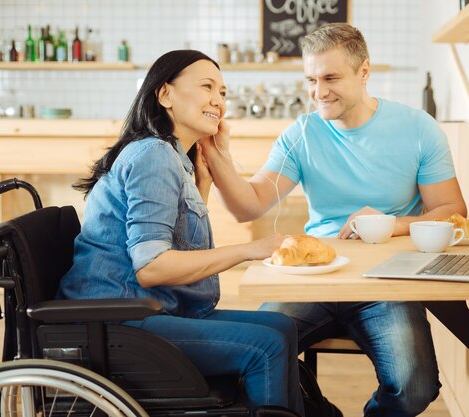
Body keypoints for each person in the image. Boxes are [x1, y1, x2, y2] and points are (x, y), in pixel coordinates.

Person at [200, 23, 467, 417]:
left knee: (414, 386)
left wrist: (390, 222)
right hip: (316, 278)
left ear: (364, 72)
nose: (319, 92)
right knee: (244, 359)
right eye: (311, 79)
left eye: (330, 78)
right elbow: (249, 205)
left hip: (387, 281)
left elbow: (453, 210)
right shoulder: (302, 133)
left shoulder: (418, 129)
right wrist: (215, 152)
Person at [56, 49, 305, 417]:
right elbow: (152, 266)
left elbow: (175, 238)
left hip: (143, 309)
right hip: (117, 319)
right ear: (165, 94)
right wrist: (250, 249)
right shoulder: (153, 155)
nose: (218, 100)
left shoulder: (173, 157)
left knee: (283, 326)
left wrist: (203, 182)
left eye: (223, 92)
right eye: (207, 87)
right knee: (266, 345)